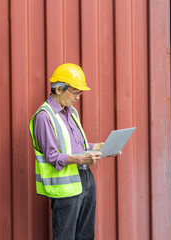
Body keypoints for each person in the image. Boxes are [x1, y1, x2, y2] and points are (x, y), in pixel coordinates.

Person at [29, 63, 108, 239]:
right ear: (58, 89)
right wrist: (81, 160)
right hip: (65, 186)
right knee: (65, 236)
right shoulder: (44, 116)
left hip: (86, 179)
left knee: (86, 235)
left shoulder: (72, 113)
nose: (78, 97)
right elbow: (52, 156)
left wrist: (101, 147)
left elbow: (78, 147)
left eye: (80, 93)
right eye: (74, 92)